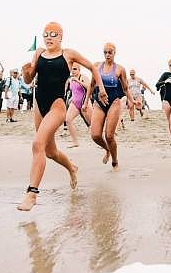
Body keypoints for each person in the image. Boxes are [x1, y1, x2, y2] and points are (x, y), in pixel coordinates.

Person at [18, 22, 106, 212]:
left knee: (37, 145)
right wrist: (26, 72)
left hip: (57, 105)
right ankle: (72, 168)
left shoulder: (69, 54)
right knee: (50, 152)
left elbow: (93, 67)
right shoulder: (38, 53)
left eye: (53, 34)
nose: (49, 37)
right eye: (46, 34)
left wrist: (101, 88)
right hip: (38, 105)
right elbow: (29, 79)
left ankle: (32, 194)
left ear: (61, 37)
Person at [87, 42, 133, 170]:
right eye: (105, 52)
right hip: (98, 102)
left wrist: (132, 101)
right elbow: (91, 85)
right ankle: (107, 150)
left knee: (109, 136)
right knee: (95, 135)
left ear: (114, 53)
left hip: (114, 102)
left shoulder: (120, 69)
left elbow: (125, 88)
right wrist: (85, 103)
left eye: (110, 52)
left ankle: (115, 160)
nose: (107, 55)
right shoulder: (96, 66)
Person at [64, 64, 91, 147]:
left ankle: (102, 141)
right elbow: (68, 90)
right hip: (74, 103)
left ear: (79, 70)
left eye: (75, 69)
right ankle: (75, 142)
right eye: (72, 69)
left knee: (92, 125)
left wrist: (78, 81)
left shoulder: (83, 77)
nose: (73, 71)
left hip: (84, 102)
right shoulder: (70, 79)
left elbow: (90, 87)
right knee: (68, 120)